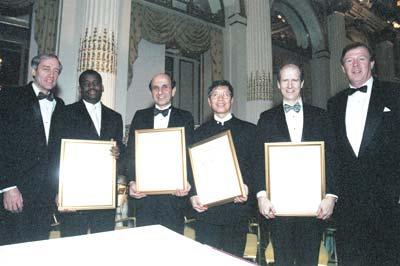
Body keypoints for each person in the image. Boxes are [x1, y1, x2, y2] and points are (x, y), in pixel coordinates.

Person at [254, 63, 335, 266]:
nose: (290, 85)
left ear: (302, 83)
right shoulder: (266, 119)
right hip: (279, 209)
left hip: (314, 207)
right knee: (282, 261)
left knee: (309, 261)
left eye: (295, 80)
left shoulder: (321, 117)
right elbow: (258, 161)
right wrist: (262, 196)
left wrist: (331, 197)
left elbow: (333, 159)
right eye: (285, 80)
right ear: (278, 85)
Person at [327, 42, 400, 266]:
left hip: (387, 199)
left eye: (361, 59)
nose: (356, 64)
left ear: (372, 64)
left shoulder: (394, 93)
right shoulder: (334, 103)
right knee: (350, 259)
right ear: (342, 68)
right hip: (348, 204)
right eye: (350, 60)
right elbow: (332, 153)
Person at [0, 54, 65, 245]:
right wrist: (8, 186)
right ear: (34, 70)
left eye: (56, 71)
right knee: (11, 248)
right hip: (18, 191)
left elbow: (58, 152)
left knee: (37, 249)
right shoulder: (10, 97)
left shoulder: (60, 106)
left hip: (46, 196)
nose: (51, 75)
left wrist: (59, 189)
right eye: (46, 69)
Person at [189, 80, 256, 257]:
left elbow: (257, 167)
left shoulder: (249, 131)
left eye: (225, 95)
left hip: (237, 212)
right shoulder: (197, 134)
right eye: (215, 95)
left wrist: (247, 187)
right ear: (209, 101)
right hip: (207, 214)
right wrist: (193, 195)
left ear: (232, 100)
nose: (221, 99)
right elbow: (190, 169)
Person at [56, 69, 124, 237]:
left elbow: (121, 149)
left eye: (95, 83)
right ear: (80, 89)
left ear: (102, 87)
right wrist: (60, 190)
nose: (91, 87)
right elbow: (57, 154)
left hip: (104, 195)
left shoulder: (115, 117)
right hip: (75, 192)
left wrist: (119, 151)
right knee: (72, 243)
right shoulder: (65, 113)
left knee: (102, 244)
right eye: (86, 83)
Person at [126, 73, 194, 234]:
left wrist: (187, 181)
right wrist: (131, 182)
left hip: (174, 197)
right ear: (151, 92)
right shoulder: (140, 116)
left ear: (173, 90)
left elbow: (190, 153)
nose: (160, 91)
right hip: (145, 197)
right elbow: (131, 153)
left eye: (165, 87)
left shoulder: (185, 117)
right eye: (156, 88)